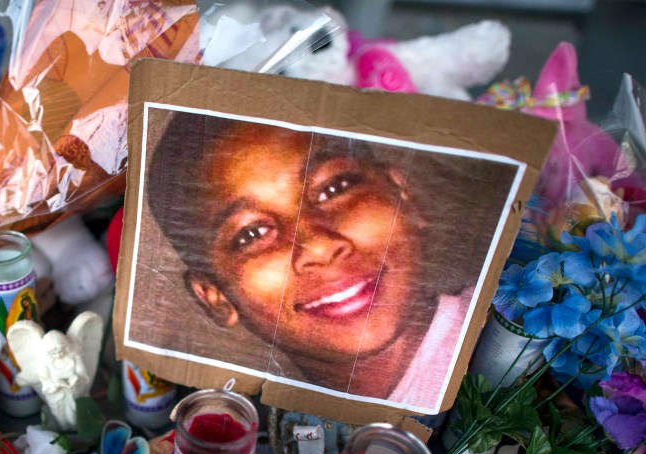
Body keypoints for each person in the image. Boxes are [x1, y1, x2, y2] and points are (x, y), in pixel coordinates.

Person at [143, 110, 512, 408]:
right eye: (252, 233)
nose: (318, 246)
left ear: (403, 195)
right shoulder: (267, 415)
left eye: (334, 188)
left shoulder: (505, 354)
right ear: (215, 297)